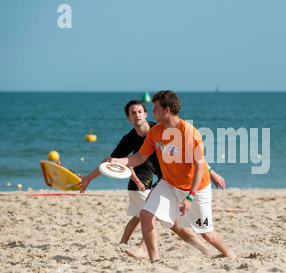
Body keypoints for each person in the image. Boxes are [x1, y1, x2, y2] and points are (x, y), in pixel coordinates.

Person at [77, 100, 226, 258]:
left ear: (146, 114)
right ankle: (205, 252)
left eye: (140, 112)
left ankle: (144, 248)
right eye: (133, 113)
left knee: (153, 213)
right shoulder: (129, 139)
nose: (137, 115)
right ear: (128, 118)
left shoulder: (159, 128)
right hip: (165, 180)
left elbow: (193, 154)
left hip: (176, 179)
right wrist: (89, 177)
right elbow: (111, 160)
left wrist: (212, 172)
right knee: (173, 225)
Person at [111, 90, 236, 260]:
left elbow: (200, 166)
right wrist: (120, 161)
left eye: (155, 108)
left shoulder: (190, 134)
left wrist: (190, 198)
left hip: (196, 188)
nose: (152, 112)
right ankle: (154, 260)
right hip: (169, 183)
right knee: (146, 215)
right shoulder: (156, 131)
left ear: (167, 110)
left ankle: (230, 255)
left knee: (207, 233)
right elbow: (140, 157)